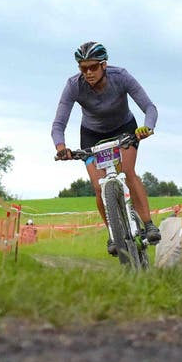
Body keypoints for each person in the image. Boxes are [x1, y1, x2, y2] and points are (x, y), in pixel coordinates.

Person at [52, 41, 161, 254]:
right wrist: (61, 147)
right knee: (99, 186)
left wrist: (147, 127)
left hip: (124, 130)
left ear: (104, 65)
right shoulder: (74, 85)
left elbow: (149, 107)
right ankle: (113, 233)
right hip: (91, 136)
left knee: (128, 173)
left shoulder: (120, 77)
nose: (88, 72)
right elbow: (58, 124)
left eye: (93, 67)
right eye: (83, 68)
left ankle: (148, 224)